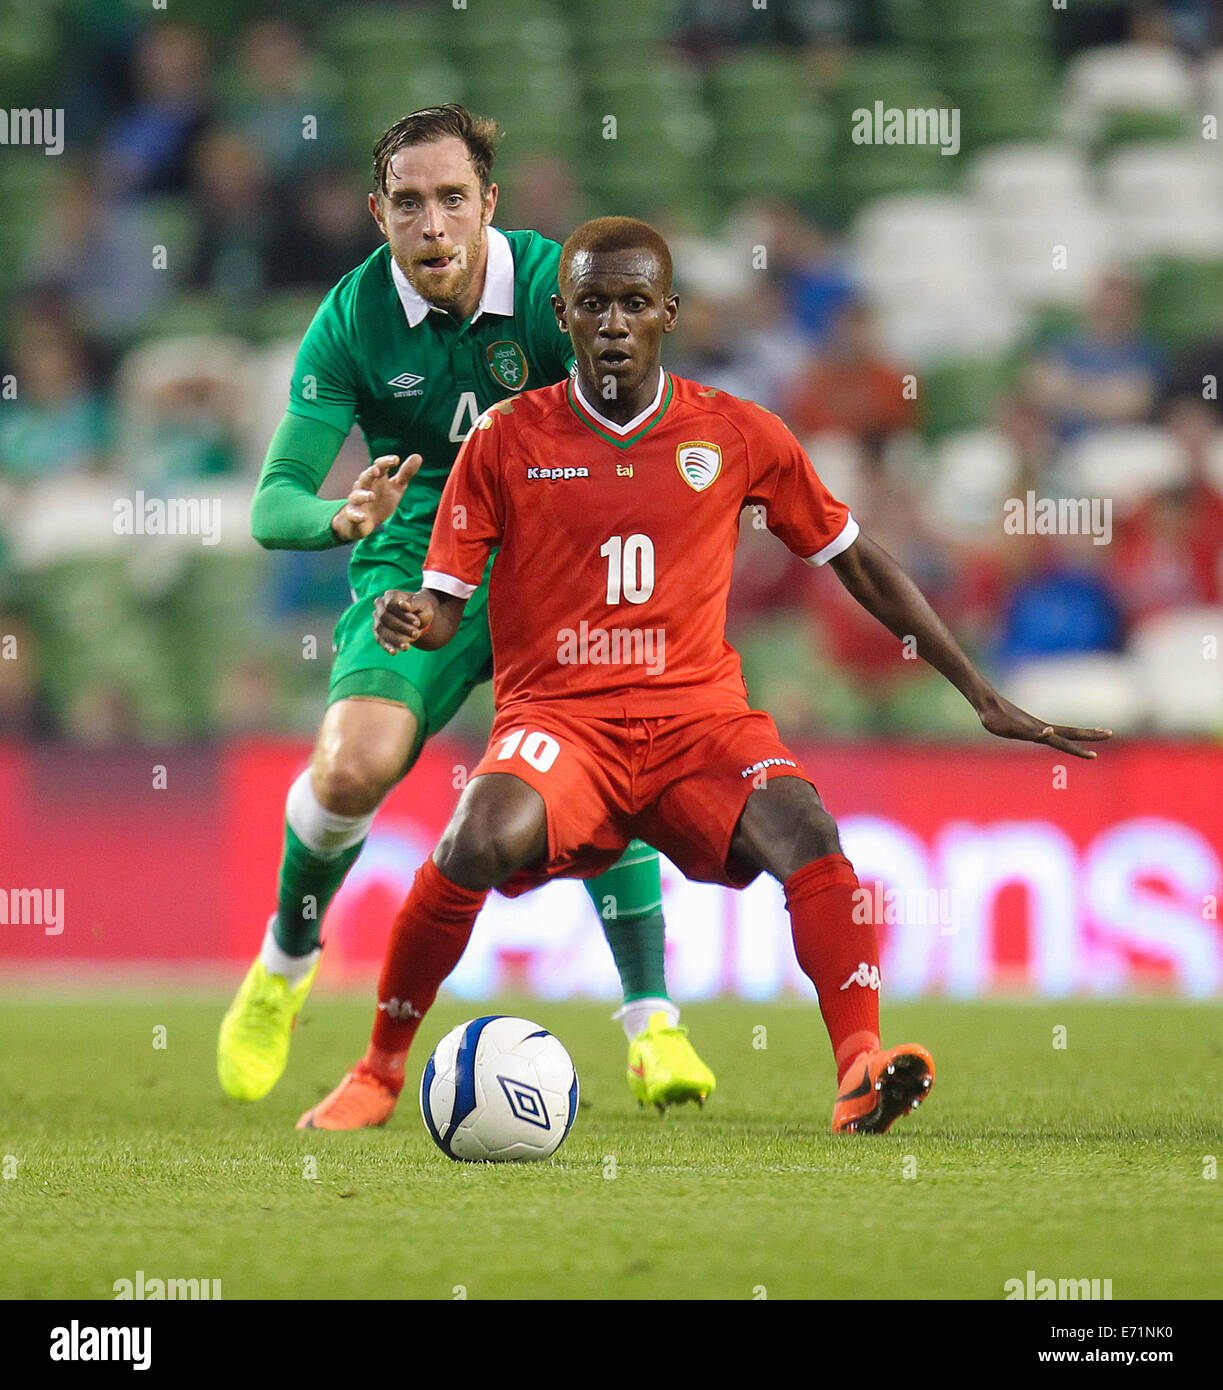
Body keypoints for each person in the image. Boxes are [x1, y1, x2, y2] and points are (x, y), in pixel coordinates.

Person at [301, 217, 1111, 1133]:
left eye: (634, 304)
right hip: (562, 724)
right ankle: (375, 1072)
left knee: (807, 831)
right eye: (594, 304)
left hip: (698, 725)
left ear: (668, 314)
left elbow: (854, 559)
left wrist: (981, 694)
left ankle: (859, 1067)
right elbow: (446, 603)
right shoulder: (505, 438)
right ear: (561, 314)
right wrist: (414, 617)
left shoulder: (734, 431)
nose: (613, 322)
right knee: (474, 840)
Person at [217, 109, 715, 1121]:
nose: (432, 224)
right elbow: (273, 500)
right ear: (378, 213)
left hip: (550, 556)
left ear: (489, 204)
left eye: (453, 199)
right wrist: (340, 514)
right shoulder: (352, 317)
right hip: (413, 552)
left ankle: (653, 1024)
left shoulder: (554, 290)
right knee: (350, 766)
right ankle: (285, 960)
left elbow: (648, 417)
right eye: (409, 203)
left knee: (593, 760)